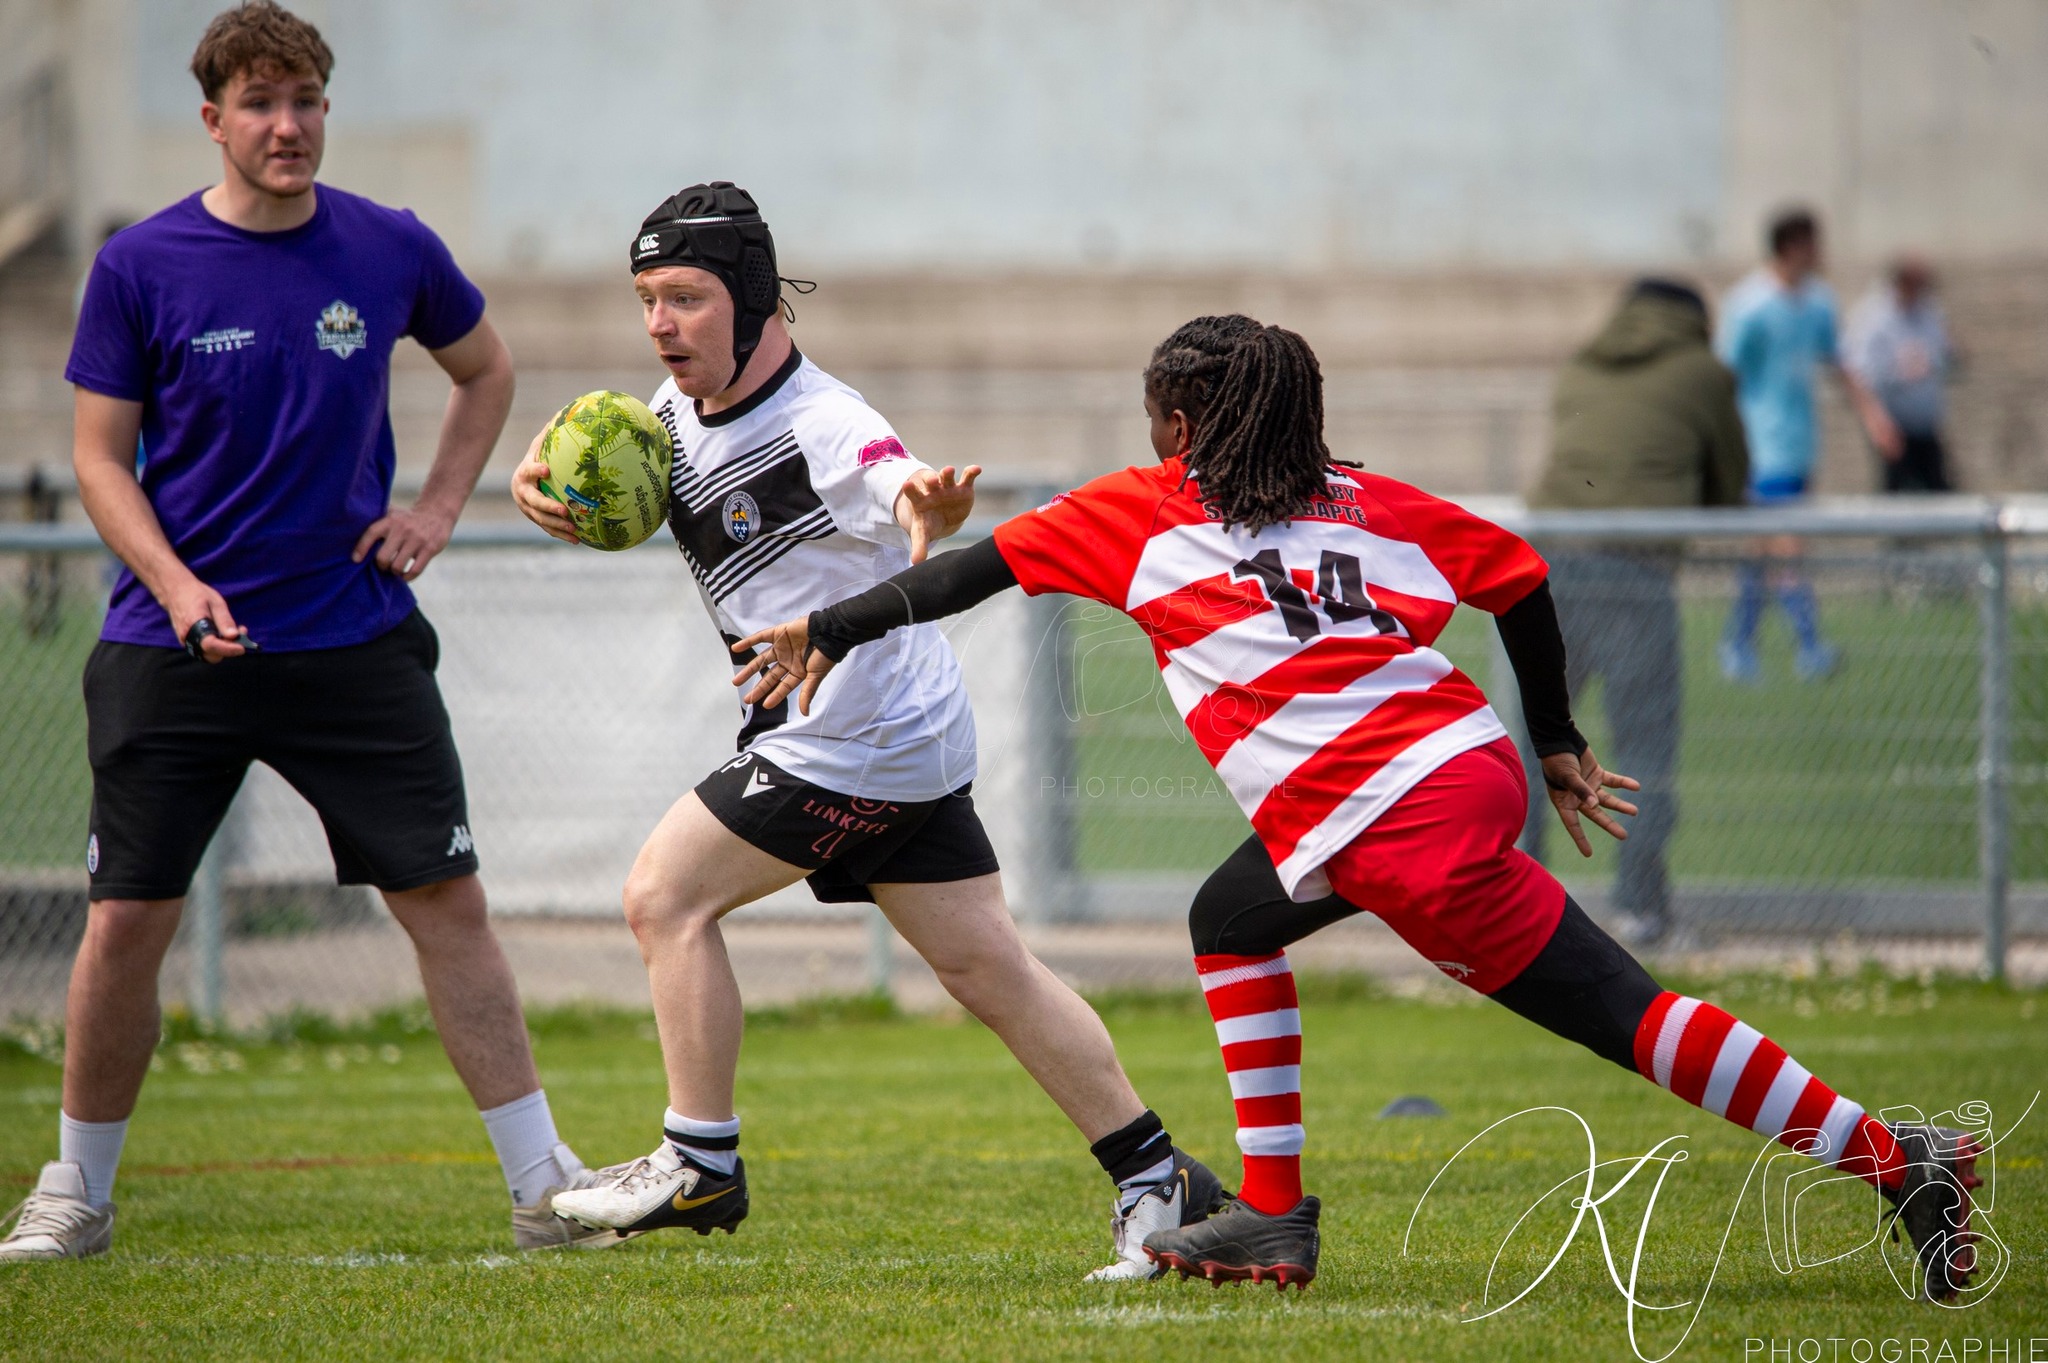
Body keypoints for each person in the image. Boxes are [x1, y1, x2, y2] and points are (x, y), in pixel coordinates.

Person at [732, 315, 1989, 1301]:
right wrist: (1553, 738)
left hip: (1394, 822)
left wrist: (825, 627)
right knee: (1232, 917)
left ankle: (1901, 1159)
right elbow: (1520, 576)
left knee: (1627, 1016)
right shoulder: (1364, 497)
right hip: (1447, 766)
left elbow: (963, 575)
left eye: (1157, 417)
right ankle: (1271, 1213)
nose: (1152, 435)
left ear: (1179, 422)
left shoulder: (1140, 508)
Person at [510, 183, 1221, 1281]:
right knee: (988, 967)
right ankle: (1156, 1174)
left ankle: (700, 1160)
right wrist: (537, 478)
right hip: (893, 728)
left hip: (857, 737)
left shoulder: (823, 423)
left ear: (753, 299)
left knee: (664, 896)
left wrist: (924, 505)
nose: (659, 323)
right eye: (646, 298)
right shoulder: (670, 411)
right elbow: (593, 466)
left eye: (686, 298)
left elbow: (896, 481)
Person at [0, 2, 605, 1262]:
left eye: (306, 101)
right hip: (173, 645)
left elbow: (486, 369)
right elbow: (99, 460)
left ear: (327, 109)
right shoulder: (140, 265)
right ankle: (75, 1191)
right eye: (260, 105)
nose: (288, 126)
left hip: (353, 638)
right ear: (213, 119)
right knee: (127, 921)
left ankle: (542, 1184)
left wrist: (435, 509)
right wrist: (176, 586)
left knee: (446, 902)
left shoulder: (390, 245)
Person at [1528, 278, 1749, 945]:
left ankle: (1504, 907)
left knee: (1530, 745)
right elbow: (1729, 482)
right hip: (1632, 570)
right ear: (1695, 322)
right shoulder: (1703, 371)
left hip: (1542, 571)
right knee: (1644, 748)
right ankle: (1641, 910)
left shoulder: (1583, 362)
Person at [1717, 208, 1901, 683]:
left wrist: (1875, 417)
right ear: (1792, 246)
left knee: (1765, 552)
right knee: (1787, 547)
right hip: (1762, 449)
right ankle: (1810, 646)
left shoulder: (1819, 302)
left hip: (1800, 447)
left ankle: (1738, 645)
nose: (1822, 253)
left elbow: (1841, 364)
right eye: (1814, 243)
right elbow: (1724, 376)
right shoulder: (1750, 306)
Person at [1846, 255, 1955, 493]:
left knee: (1942, 494)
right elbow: (1861, 373)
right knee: (1897, 496)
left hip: (1925, 425)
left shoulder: (1929, 312)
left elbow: (1946, 354)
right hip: (1893, 427)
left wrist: (1936, 361)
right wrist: (1899, 371)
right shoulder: (1874, 317)